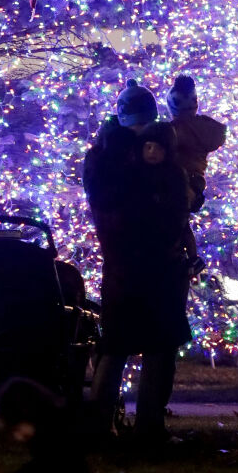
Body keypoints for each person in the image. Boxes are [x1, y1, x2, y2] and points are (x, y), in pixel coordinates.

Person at [84, 81, 192, 444]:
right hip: (140, 261)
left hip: (131, 263)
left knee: (128, 344)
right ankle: (135, 425)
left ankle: (123, 424)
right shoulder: (121, 159)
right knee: (135, 344)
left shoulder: (110, 155)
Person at [166, 74, 226, 211]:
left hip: (176, 183)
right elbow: (219, 136)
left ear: (173, 108)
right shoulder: (207, 127)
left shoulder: (172, 132)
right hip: (197, 180)